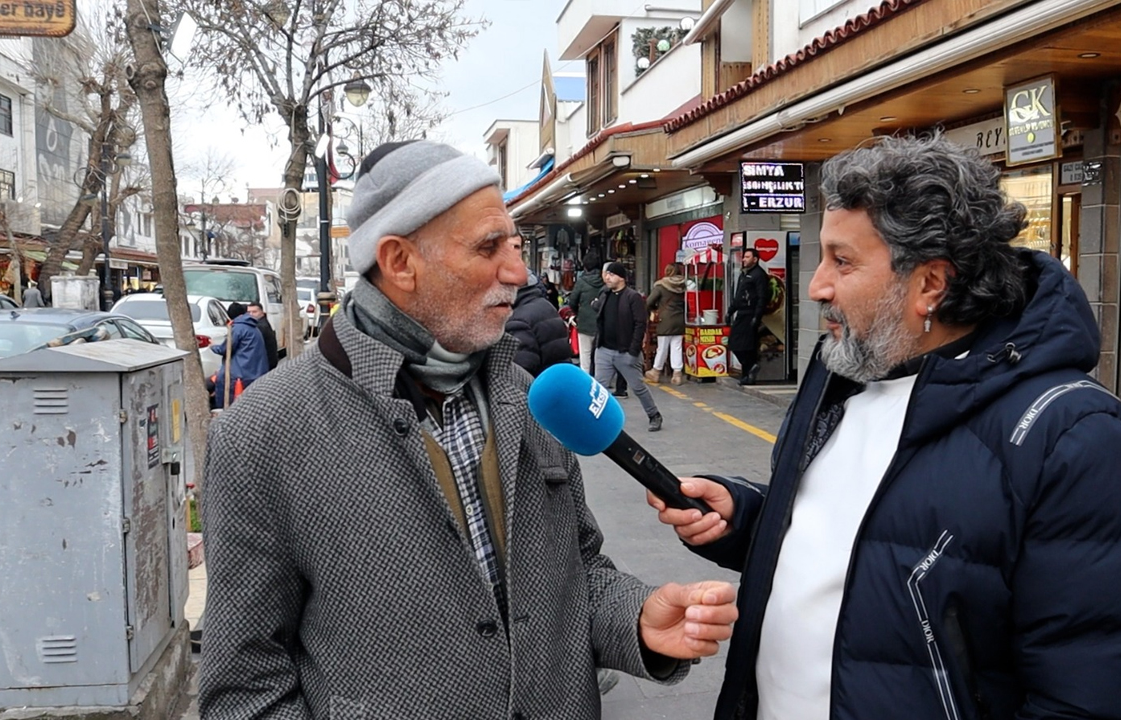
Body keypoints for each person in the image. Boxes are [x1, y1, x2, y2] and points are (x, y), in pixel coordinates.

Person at [199, 140, 737, 719]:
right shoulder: (263, 434)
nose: (518, 272)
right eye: (488, 247)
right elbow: (245, 688)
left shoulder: (530, 396)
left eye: (515, 245)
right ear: (400, 262)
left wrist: (636, 618)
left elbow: (578, 572)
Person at [649, 135, 1121, 720]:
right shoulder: (839, 375)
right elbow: (871, 544)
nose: (817, 286)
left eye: (842, 261)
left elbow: (1089, 695)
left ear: (930, 284)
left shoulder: (1076, 438)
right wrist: (748, 516)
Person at [592, 262, 662, 432]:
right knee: (598, 389)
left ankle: (654, 415)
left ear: (621, 278)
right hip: (604, 350)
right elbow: (599, 311)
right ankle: (594, 421)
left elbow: (640, 324)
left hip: (625, 352)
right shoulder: (605, 294)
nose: (607, 277)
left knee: (638, 387)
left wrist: (633, 350)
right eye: (607, 274)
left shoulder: (632, 297)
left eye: (612, 275)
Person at [506, 265, 574, 377]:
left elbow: (521, 372)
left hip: (540, 382)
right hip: (557, 378)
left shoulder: (518, 320)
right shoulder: (544, 304)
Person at [210, 302, 270, 408]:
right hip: (254, 372)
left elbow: (225, 349)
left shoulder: (238, 328)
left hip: (240, 374)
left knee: (229, 400)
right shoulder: (253, 327)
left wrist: (213, 346)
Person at [728, 247, 768, 385]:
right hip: (741, 313)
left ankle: (750, 370)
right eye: (744, 257)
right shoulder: (744, 274)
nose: (744, 259)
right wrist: (730, 311)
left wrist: (757, 316)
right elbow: (738, 296)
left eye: (747, 257)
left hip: (750, 313)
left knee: (744, 345)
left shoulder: (759, 275)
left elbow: (762, 297)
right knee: (734, 344)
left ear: (755, 259)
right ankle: (749, 371)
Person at [645, 262, 686, 385]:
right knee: (677, 347)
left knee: (662, 347)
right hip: (679, 320)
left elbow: (649, 302)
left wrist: (654, 309)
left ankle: (656, 371)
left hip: (665, 320)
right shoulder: (683, 285)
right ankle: (677, 374)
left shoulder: (661, 286)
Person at [565, 247, 604, 374]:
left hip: (585, 323)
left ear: (585, 266)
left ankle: (586, 381)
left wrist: (578, 313)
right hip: (602, 324)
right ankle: (599, 379)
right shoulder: (605, 281)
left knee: (585, 356)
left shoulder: (581, 282)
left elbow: (572, 301)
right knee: (600, 357)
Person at [245, 301, 279, 370]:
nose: (251, 314)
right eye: (248, 312)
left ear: (262, 313)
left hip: (264, 364)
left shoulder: (260, 327)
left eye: (254, 312)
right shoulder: (261, 324)